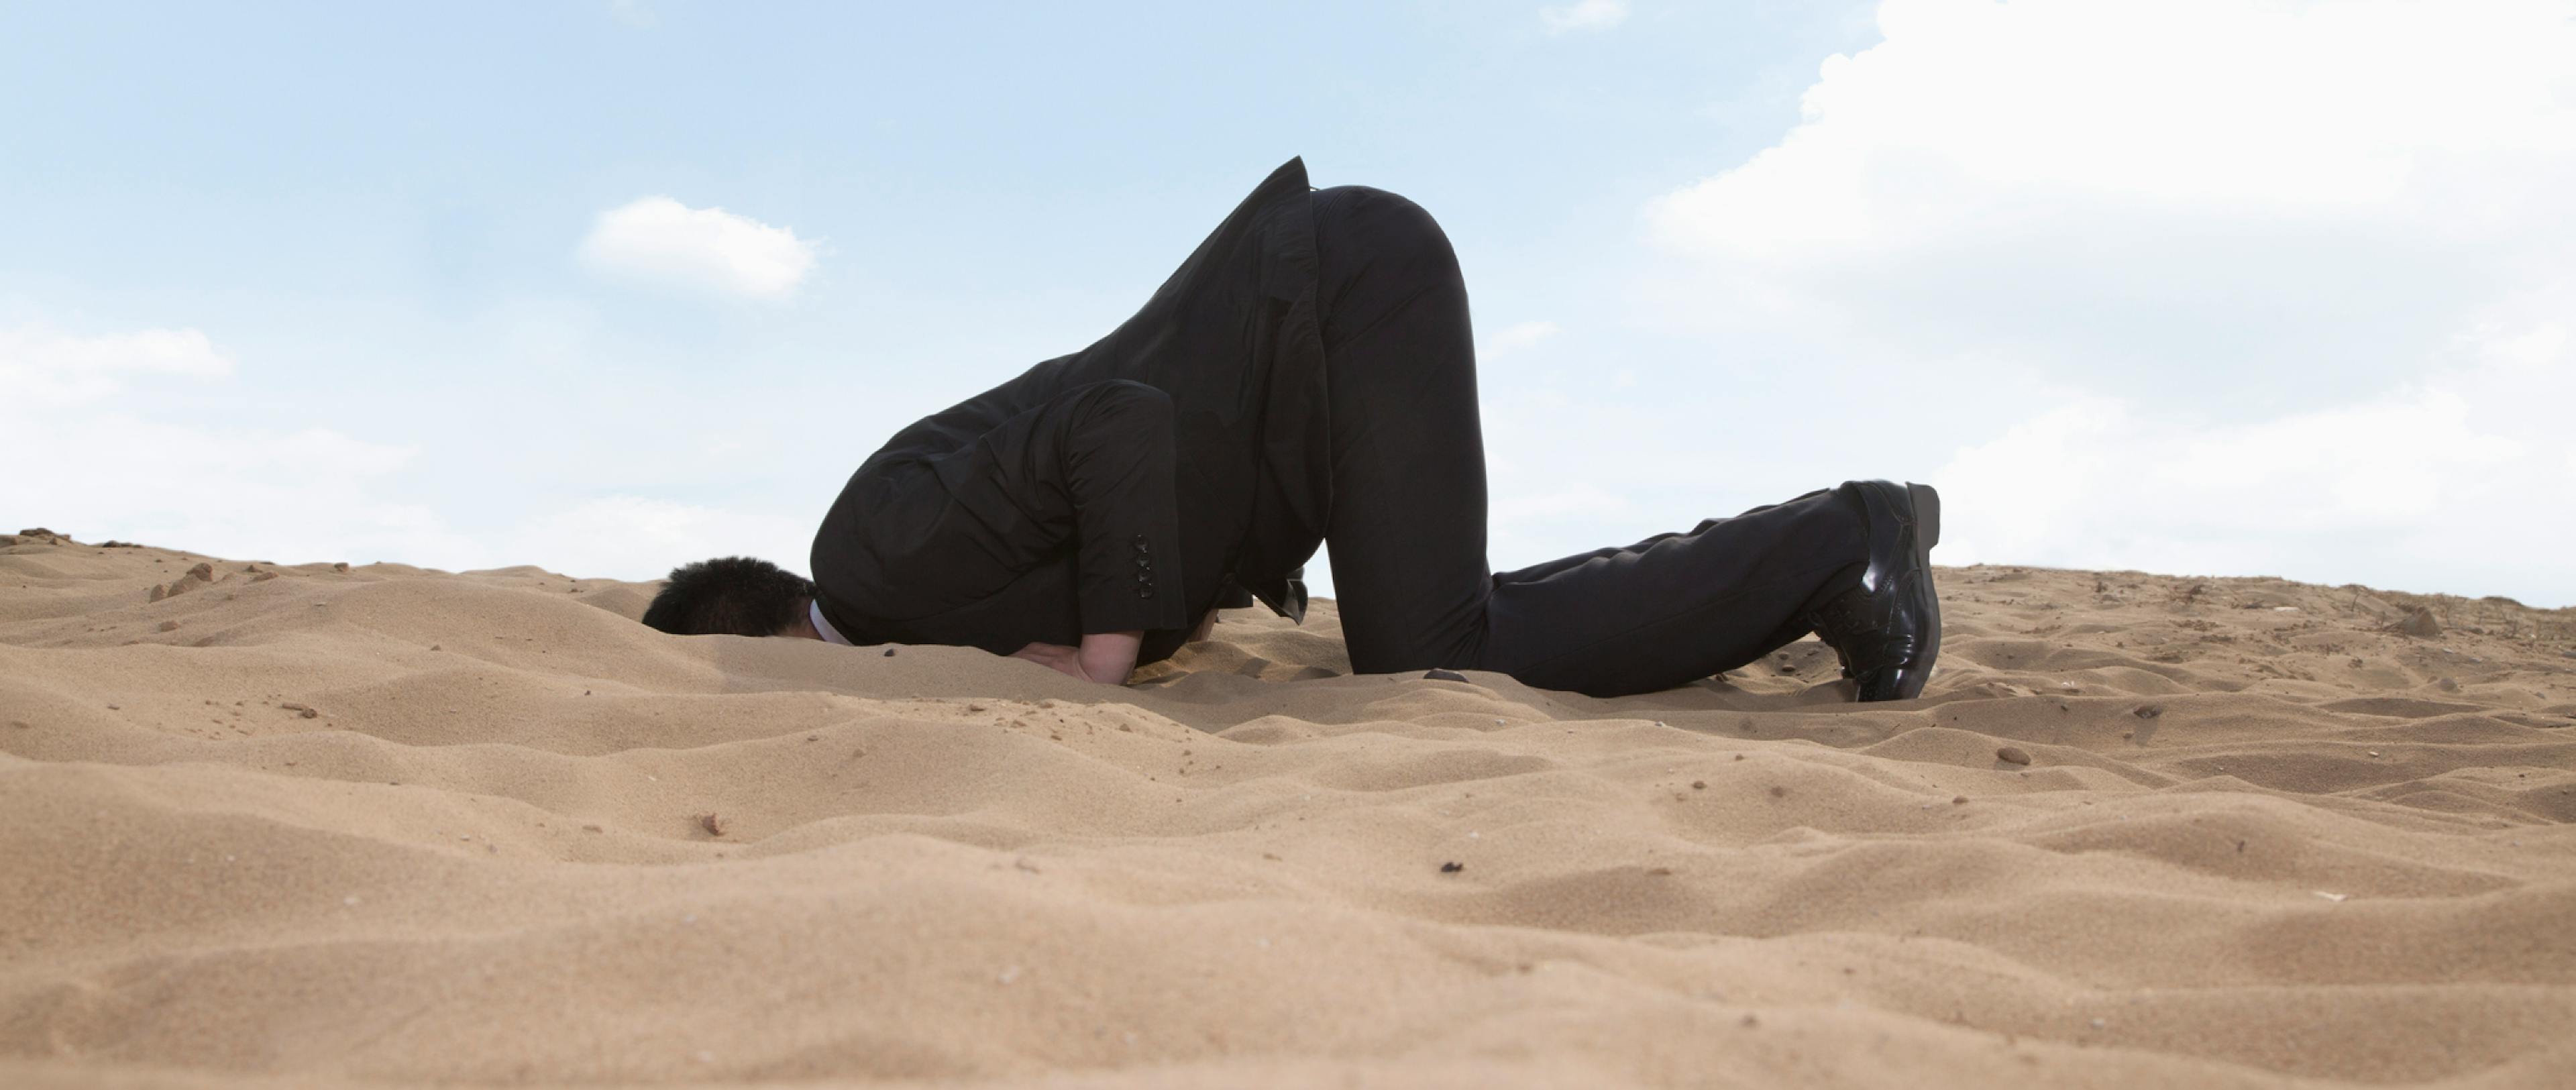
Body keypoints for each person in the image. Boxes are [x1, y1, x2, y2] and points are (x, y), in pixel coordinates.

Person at [641, 158, 1941, 700]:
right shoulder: (916, 610)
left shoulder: (871, 557)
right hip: (1322, 343)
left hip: (1336, 297)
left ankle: (1848, 546)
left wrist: (1099, 664)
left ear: (750, 645)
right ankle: (1835, 549)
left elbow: (1117, 423)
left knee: (1431, 650)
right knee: (1440, 631)